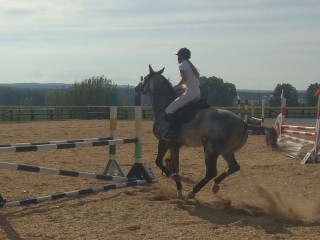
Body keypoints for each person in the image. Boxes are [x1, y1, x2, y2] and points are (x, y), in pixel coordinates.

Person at [164, 47, 201, 140]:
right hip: (196, 92)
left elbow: (184, 79)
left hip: (191, 92)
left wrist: (175, 87)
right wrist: (183, 89)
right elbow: (191, 82)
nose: (177, 58)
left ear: (180, 56)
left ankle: (174, 131)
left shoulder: (182, 65)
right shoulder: (190, 65)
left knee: (169, 110)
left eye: (178, 56)